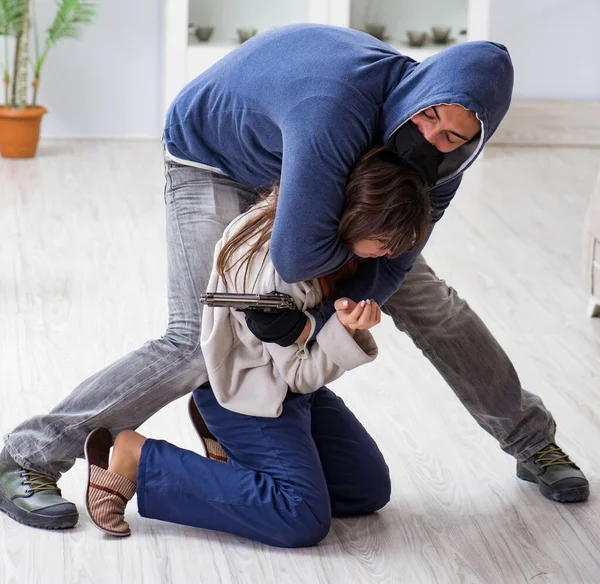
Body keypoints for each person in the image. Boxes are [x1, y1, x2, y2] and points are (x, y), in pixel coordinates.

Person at [0, 24, 587, 532]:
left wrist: (341, 319)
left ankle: (532, 441)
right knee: (194, 342)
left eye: (452, 137)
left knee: (436, 308)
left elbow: (397, 257)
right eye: (428, 115)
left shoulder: (445, 160)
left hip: (324, 176)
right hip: (216, 157)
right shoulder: (338, 107)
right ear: (418, 90)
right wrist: (320, 322)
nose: (433, 137)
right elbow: (297, 259)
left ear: (472, 143)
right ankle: (29, 455)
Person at [82, 146, 429, 544]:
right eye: (385, 241)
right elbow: (299, 374)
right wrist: (345, 333)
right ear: (356, 215)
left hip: (286, 387)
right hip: (248, 390)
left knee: (366, 490)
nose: (390, 254)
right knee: (301, 515)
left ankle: (236, 459)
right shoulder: (278, 266)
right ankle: (139, 458)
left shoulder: (311, 233)